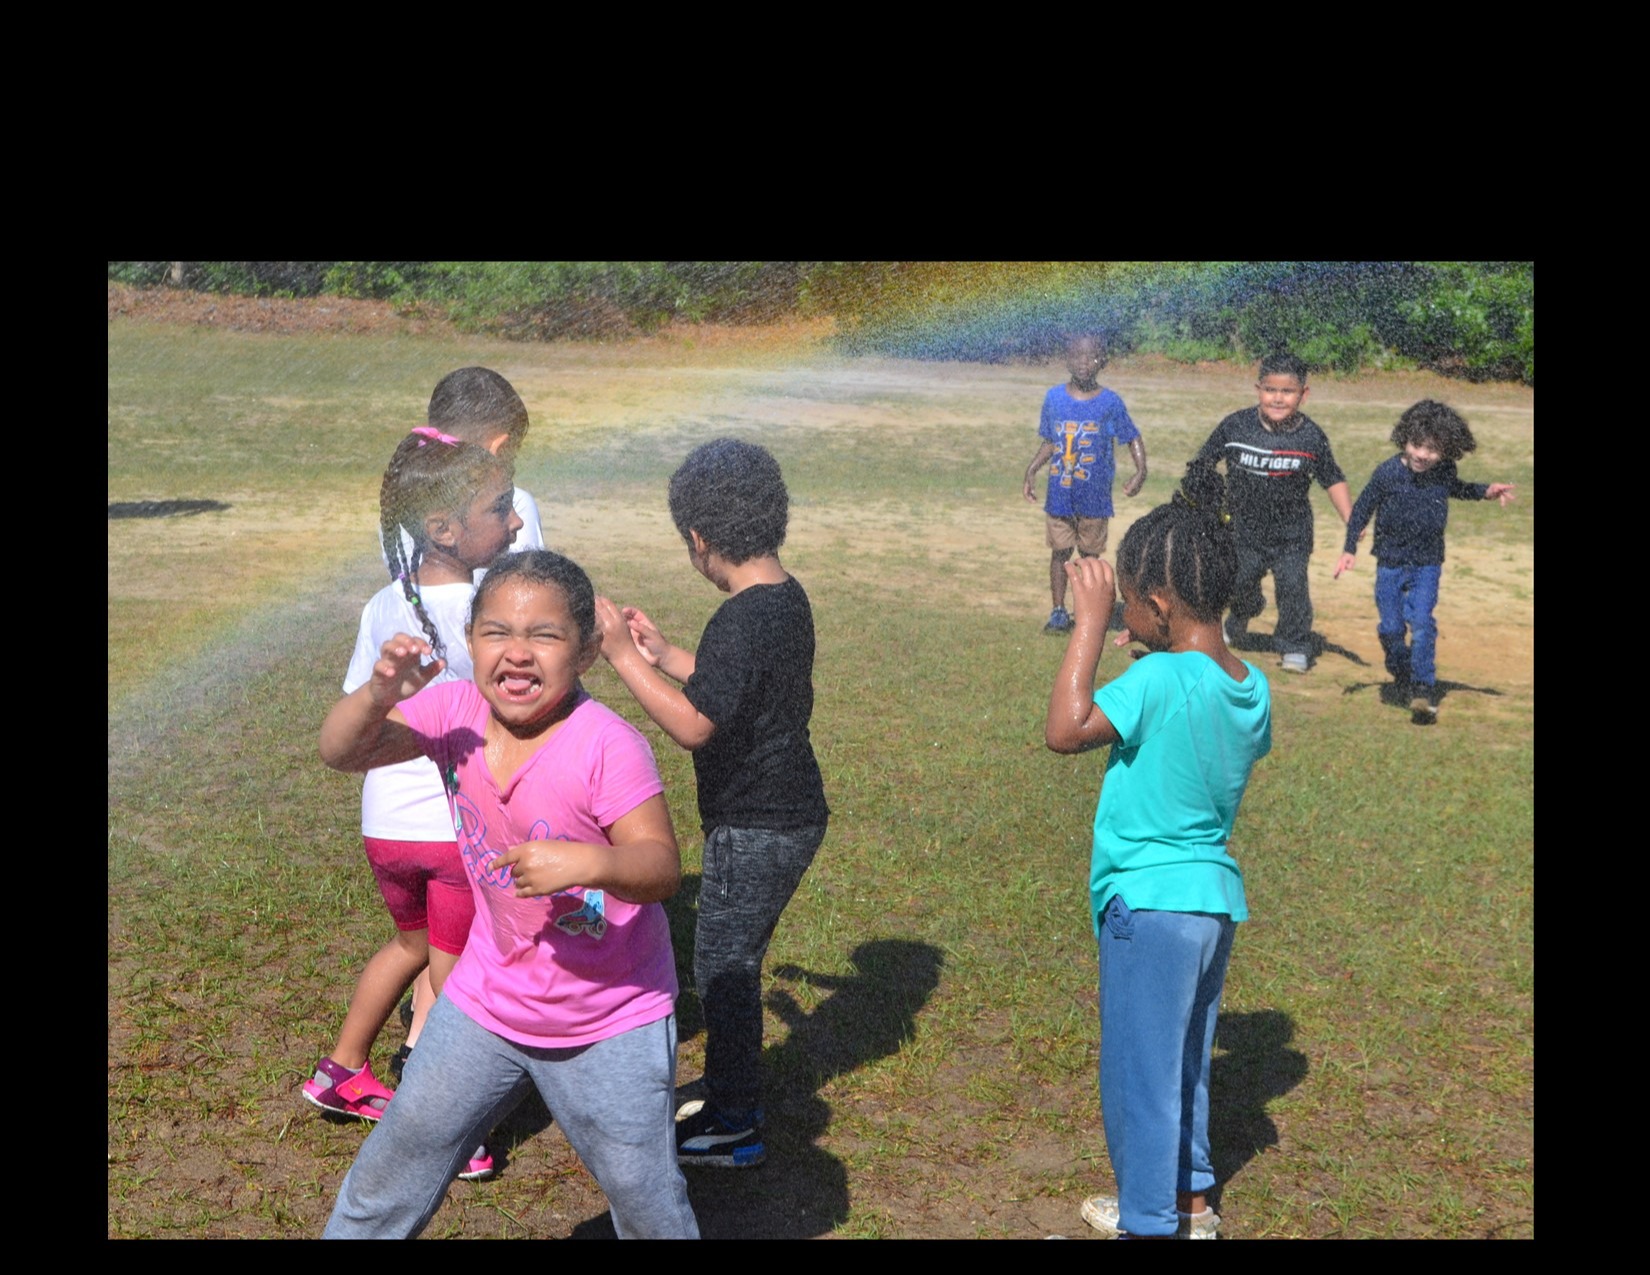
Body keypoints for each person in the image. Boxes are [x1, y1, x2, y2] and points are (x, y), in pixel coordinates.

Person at [318, 551, 698, 1239]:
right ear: (470, 641)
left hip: (608, 1020)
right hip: (483, 1000)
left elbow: (660, 864)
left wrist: (592, 861)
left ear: (585, 652)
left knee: (645, 1201)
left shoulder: (609, 744)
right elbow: (342, 751)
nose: (517, 653)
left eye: (545, 635)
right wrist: (376, 695)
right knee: (392, 1165)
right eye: (496, 631)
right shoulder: (457, 710)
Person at [1045, 472, 1272, 1240]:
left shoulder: (1157, 675)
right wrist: (1133, 633)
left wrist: (1088, 623)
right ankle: (1192, 1204)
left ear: (1161, 607)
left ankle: (1147, 1223)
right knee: (1185, 1064)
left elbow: (1066, 727)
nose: (1126, 616)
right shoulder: (1251, 685)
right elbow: (1202, 706)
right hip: (1212, 903)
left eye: (1134, 601)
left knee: (1140, 1078)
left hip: (1149, 903)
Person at [597, 438, 828, 1170]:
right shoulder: (782, 598)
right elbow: (728, 688)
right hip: (789, 811)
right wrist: (666, 656)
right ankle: (731, 1088)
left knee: (724, 966)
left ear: (699, 539)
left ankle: (733, 1120)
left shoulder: (739, 616)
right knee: (735, 958)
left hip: (756, 823)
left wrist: (623, 658)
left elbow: (696, 724)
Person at [303, 429, 522, 1181]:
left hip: (385, 829)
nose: (517, 522)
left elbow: (355, 714)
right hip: (453, 838)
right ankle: (452, 1129)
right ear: (445, 529)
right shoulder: (493, 613)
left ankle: (340, 1068)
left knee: (408, 948)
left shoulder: (383, 601)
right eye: (502, 508)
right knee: (457, 982)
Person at [1334, 400, 1515, 722]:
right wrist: (1349, 549)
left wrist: (1485, 491)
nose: (1422, 455)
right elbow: (1361, 509)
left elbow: (1455, 488)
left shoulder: (1443, 471)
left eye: (1432, 449)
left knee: (1421, 624)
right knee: (1391, 628)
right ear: (1404, 439)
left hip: (1427, 564)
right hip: (1389, 563)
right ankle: (1400, 667)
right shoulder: (1387, 472)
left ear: (1447, 450)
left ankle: (1423, 688)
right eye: (1417, 445)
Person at [1190, 352, 1351, 673]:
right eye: (1270, 390)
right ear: (1258, 389)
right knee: (1237, 583)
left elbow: (1332, 478)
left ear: (1303, 395)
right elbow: (1203, 462)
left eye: (1287, 392)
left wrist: (1351, 519)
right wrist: (1204, 499)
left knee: (1292, 588)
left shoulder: (1311, 437)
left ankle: (1294, 645)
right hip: (1242, 531)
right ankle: (1241, 615)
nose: (1277, 398)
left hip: (1291, 535)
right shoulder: (1236, 426)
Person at [1023, 334, 1147, 634]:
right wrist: (1032, 469)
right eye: (1077, 356)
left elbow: (1131, 437)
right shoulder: (1054, 399)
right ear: (1066, 359)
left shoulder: (1110, 402)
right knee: (1060, 553)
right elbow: (1051, 441)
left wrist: (1141, 470)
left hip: (1094, 497)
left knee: (1089, 558)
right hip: (1060, 496)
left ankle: (1087, 613)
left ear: (1102, 361)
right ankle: (1058, 611)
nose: (1084, 363)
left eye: (1091, 357)